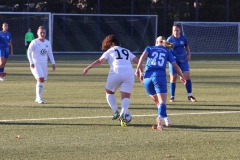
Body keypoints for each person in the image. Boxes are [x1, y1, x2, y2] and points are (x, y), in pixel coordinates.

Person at [83, 34, 139, 126]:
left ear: (110, 44)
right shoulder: (126, 51)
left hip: (116, 72)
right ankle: (123, 113)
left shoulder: (110, 51)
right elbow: (137, 60)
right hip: (129, 72)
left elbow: (100, 61)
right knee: (126, 96)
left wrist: (89, 67)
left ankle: (116, 111)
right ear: (119, 43)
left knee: (109, 92)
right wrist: (140, 70)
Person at [135, 36, 186, 131]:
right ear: (164, 43)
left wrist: (138, 70)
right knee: (162, 102)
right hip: (159, 76)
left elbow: (142, 57)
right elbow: (174, 65)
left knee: (156, 100)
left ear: (156, 42)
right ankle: (160, 120)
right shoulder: (167, 51)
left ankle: (165, 118)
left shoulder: (149, 48)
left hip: (147, 77)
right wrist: (181, 75)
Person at [167, 24, 197, 102]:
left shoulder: (183, 38)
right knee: (173, 78)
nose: (176, 32)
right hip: (173, 60)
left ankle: (190, 95)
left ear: (180, 31)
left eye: (177, 30)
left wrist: (189, 54)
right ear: (172, 31)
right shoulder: (170, 39)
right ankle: (172, 96)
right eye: (174, 30)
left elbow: (187, 46)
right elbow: (167, 49)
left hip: (183, 59)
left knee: (187, 76)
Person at [27, 26, 56, 104]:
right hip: (36, 63)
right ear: (37, 33)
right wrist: (31, 62)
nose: (42, 34)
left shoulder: (47, 42)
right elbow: (29, 52)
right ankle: (39, 98)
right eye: (41, 33)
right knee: (40, 78)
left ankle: (38, 97)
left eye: (44, 32)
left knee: (42, 80)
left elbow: (50, 53)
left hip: (44, 63)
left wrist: (53, 62)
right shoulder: (34, 42)